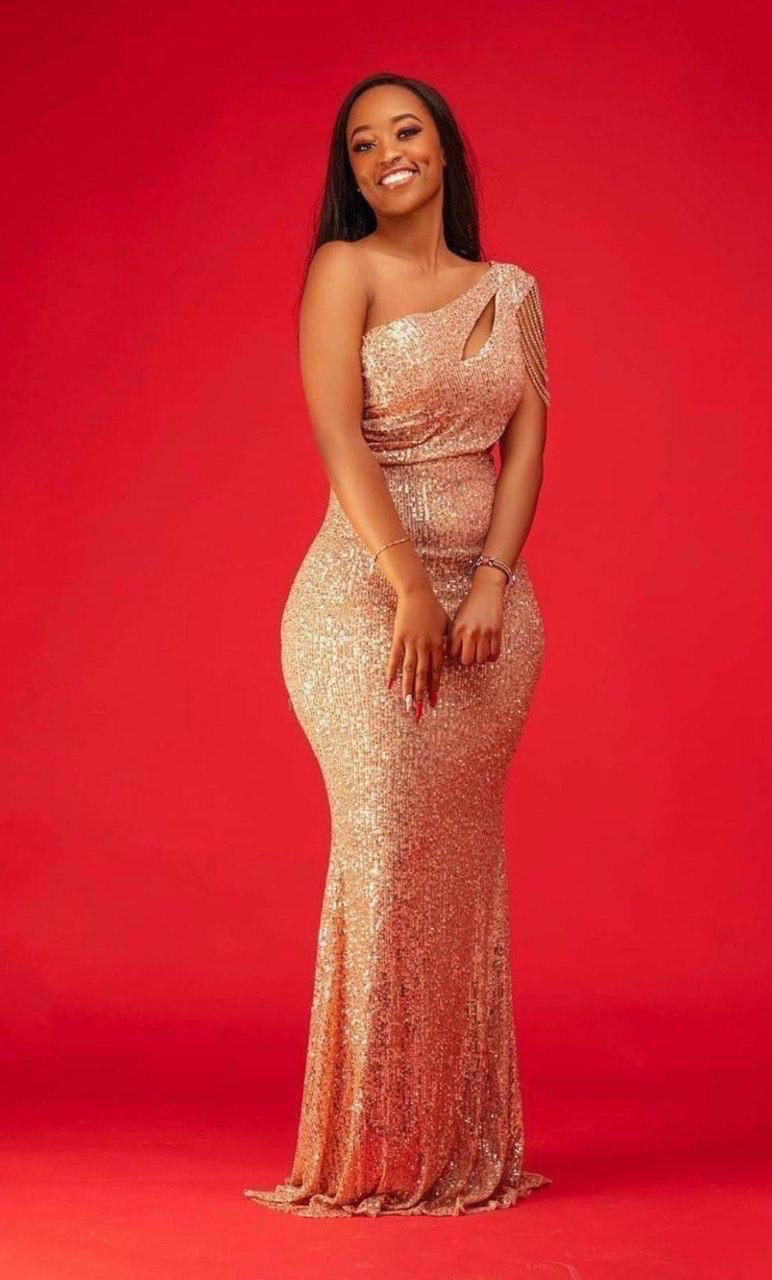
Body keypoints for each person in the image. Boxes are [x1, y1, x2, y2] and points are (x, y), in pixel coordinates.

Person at [244, 71, 552, 1217]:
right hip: (361, 597)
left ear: (445, 148)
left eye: (405, 132)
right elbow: (338, 434)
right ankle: (366, 1149)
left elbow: (526, 447)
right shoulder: (346, 268)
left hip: (487, 610)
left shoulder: (512, 292)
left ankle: (454, 1142)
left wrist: (490, 582)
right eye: (363, 145)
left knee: (456, 863)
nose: (386, 156)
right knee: (383, 845)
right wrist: (409, 583)